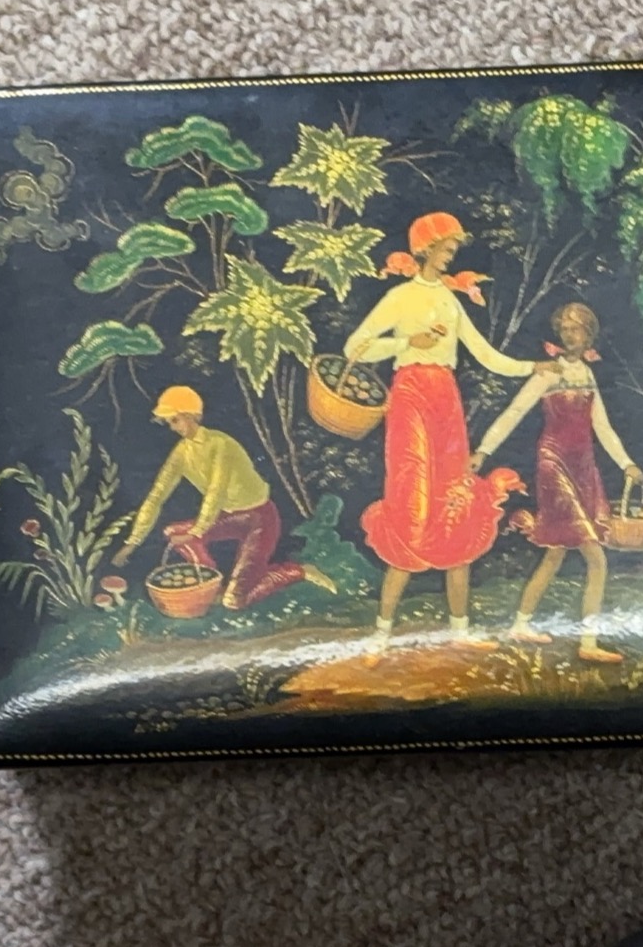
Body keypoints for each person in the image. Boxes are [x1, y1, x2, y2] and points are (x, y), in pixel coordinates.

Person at [343, 211, 557, 651]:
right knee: (412, 502)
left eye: (453, 250)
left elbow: (485, 354)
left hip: (446, 400)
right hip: (411, 399)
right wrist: (408, 343)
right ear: (426, 248)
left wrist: (532, 367)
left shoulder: (449, 299)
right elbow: (355, 347)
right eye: (446, 249)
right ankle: (381, 635)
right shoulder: (401, 297)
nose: (450, 257)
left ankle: (459, 631)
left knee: (455, 500)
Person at [470, 302, 643, 664]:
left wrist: (627, 463)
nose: (569, 334)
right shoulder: (548, 372)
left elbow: (602, 426)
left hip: (583, 468)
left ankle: (521, 624)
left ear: (589, 335)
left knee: (555, 552)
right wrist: (483, 452)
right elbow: (514, 412)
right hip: (554, 465)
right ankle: (588, 642)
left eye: (576, 328)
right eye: (564, 328)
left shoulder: (588, 374)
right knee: (596, 558)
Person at [112, 385, 335, 609]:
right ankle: (212, 585)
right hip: (230, 517)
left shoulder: (221, 444)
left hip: (260, 519)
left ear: (191, 415)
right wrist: (132, 542)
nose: (172, 427)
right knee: (174, 532)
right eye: (169, 422)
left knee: (234, 601)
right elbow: (157, 495)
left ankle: (298, 571)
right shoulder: (182, 451)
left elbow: (215, 491)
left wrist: (197, 531)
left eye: (175, 420)